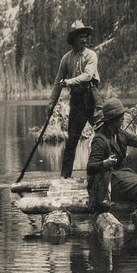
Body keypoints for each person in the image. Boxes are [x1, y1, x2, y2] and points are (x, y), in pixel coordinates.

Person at [87, 98, 137, 226]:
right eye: (120, 118)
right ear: (112, 120)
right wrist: (105, 163)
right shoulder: (99, 140)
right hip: (110, 182)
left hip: (120, 173)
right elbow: (90, 168)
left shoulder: (119, 133)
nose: (123, 120)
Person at [47, 20, 103, 178]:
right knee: (71, 141)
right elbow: (58, 83)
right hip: (77, 101)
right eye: (81, 36)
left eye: (85, 36)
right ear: (73, 39)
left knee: (103, 135)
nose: (84, 39)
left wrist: (69, 82)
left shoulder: (91, 55)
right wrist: (51, 104)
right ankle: (65, 177)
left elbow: (88, 76)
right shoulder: (66, 59)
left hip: (92, 98)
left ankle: (111, 171)